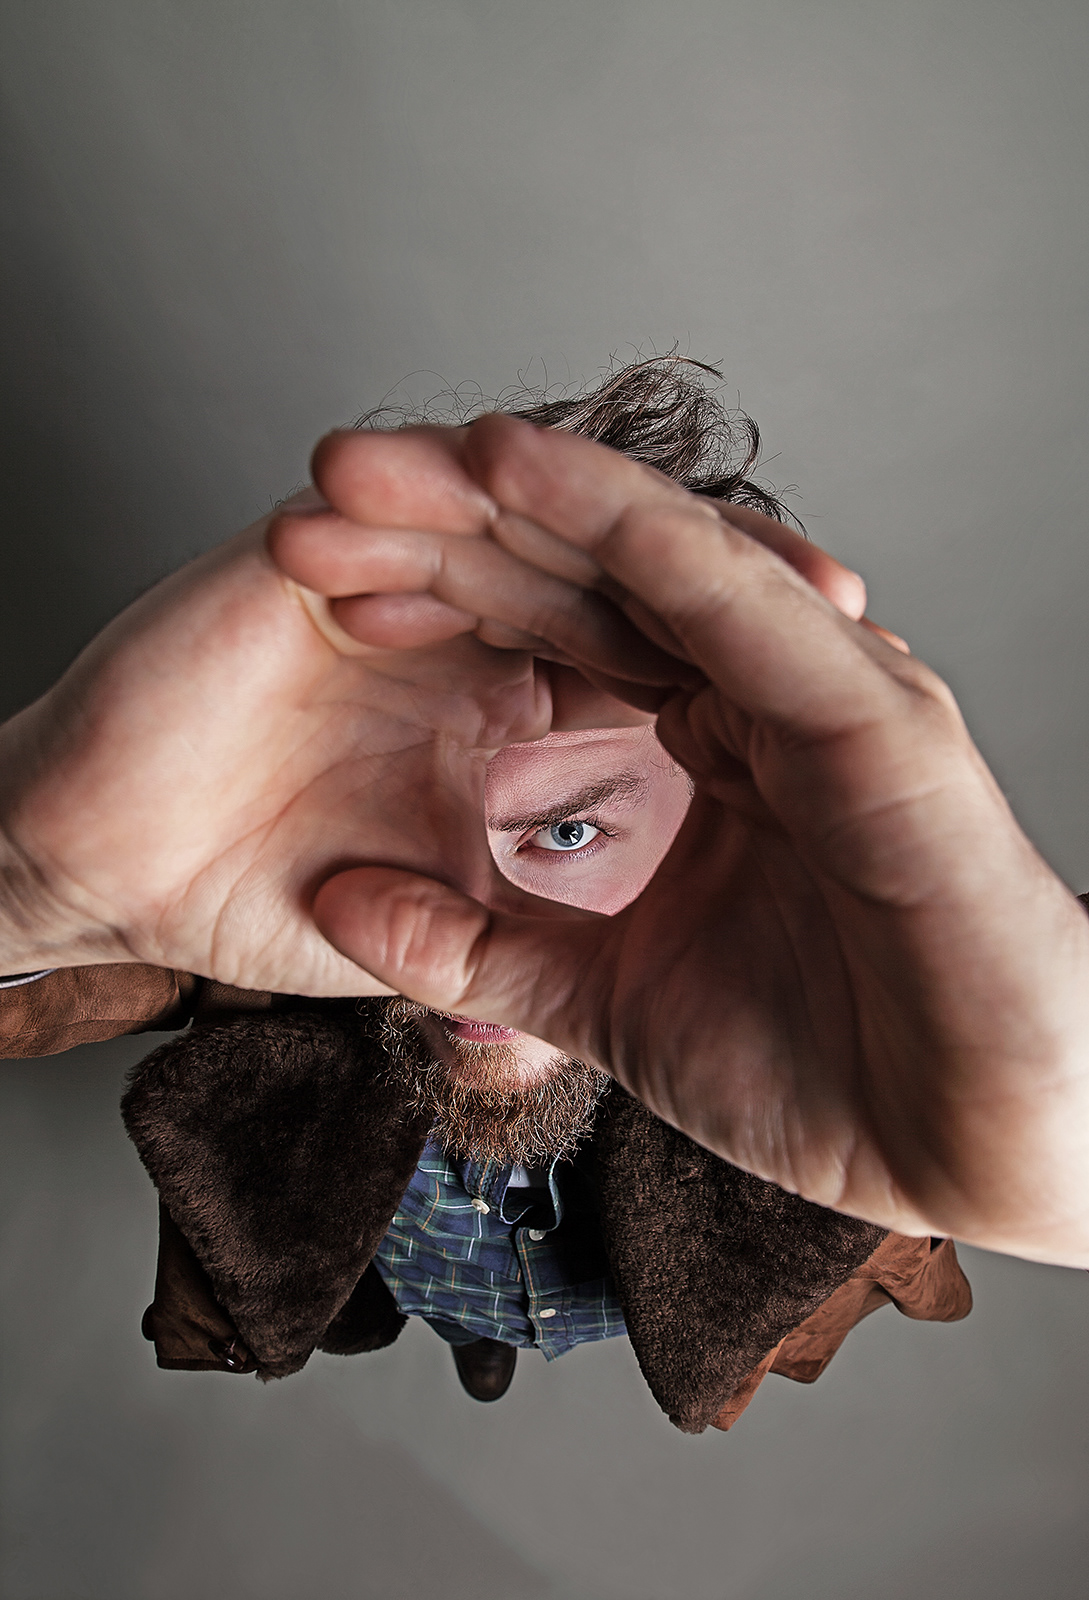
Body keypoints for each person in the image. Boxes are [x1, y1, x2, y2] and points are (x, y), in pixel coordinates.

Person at [3, 360, 1089, 1425]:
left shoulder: (834, 1049)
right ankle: (475, 1333)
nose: (474, 918)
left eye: (569, 832)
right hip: (401, 1267)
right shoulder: (279, 909)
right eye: (412, 829)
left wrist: (1064, 1132)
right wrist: (23, 879)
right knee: (448, 1316)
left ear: (715, 819)